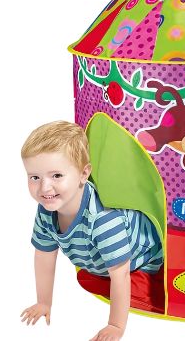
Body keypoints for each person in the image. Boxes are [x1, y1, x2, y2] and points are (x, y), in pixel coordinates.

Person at [19, 120, 163, 340]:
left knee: (139, 287)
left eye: (56, 176)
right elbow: (44, 255)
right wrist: (43, 302)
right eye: (35, 177)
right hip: (102, 262)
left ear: (83, 174)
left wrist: (115, 325)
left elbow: (121, 273)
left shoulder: (103, 219)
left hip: (144, 257)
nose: (44, 187)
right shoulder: (47, 210)